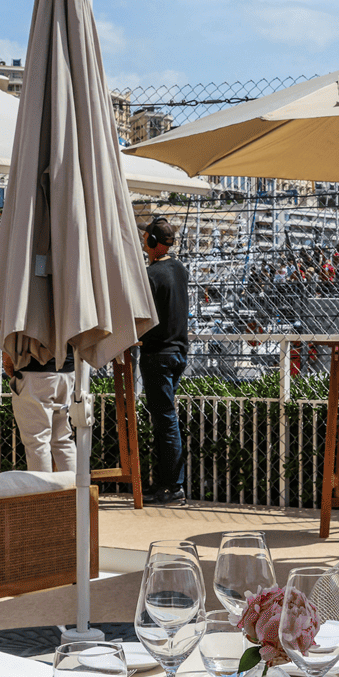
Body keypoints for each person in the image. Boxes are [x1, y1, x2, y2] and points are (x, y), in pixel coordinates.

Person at [139, 216, 189, 506]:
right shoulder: (180, 270)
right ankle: (165, 484)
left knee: (165, 421)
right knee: (165, 419)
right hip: (178, 352)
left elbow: (141, 315)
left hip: (157, 354)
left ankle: (172, 487)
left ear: (153, 241)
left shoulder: (151, 275)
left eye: (146, 237)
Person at [5, 343, 74, 473]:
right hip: (67, 370)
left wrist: (8, 354)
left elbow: (14, 333)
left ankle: (43, 486)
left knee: (37, 442)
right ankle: (74, 485)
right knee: (62, 439)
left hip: (33, 369)